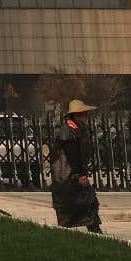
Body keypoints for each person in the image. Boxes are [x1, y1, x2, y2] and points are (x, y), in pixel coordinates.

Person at [49, 99, 103, 233]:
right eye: (82, 114)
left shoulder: (78, 130)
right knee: (84, 201)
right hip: (69, 176)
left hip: (72, 175)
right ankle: (93, 229)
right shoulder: (68, 132)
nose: (85, 116)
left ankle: (93, 228)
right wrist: (80, 174)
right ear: (75, 115)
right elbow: (73, 156)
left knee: (85, 202)